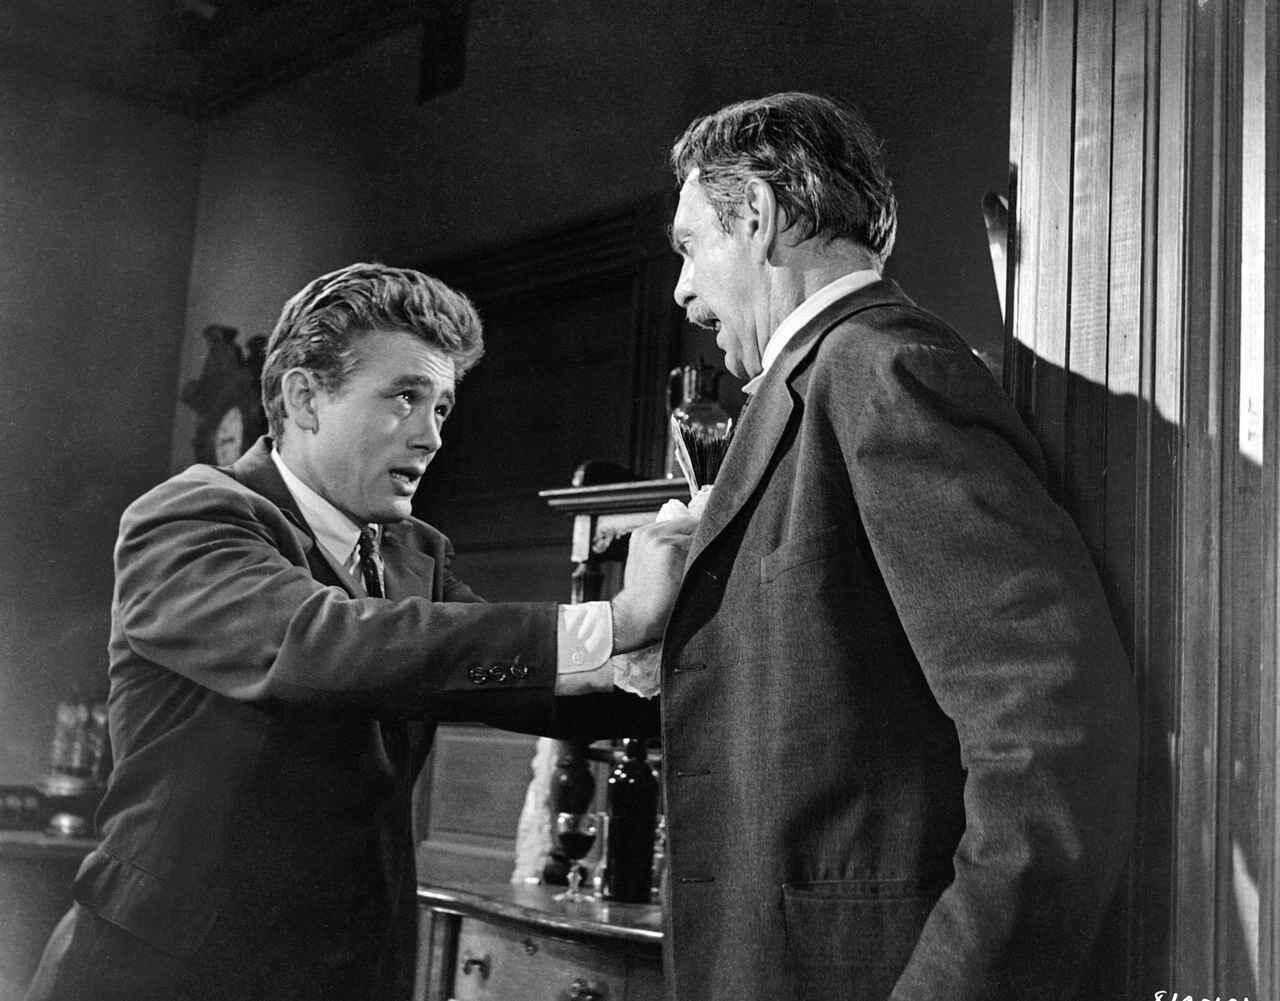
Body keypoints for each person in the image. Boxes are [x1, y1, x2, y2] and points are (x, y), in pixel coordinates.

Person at [24, 263, 695, 1001]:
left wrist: (696, 667)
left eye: (442, 406)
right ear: (304, 398)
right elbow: (326, 645)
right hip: (165, 973)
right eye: (405, 397)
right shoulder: (189, 516)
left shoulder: (413, 554)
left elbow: (528, 681)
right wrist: (618, 618)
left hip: (348, 970)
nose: (432, 436)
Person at [656, 92, 1139, 1000]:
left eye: (690, 246)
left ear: (756, 214)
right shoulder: (822, 380)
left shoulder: (883, 370)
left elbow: (1049, 736)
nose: (681, 290)